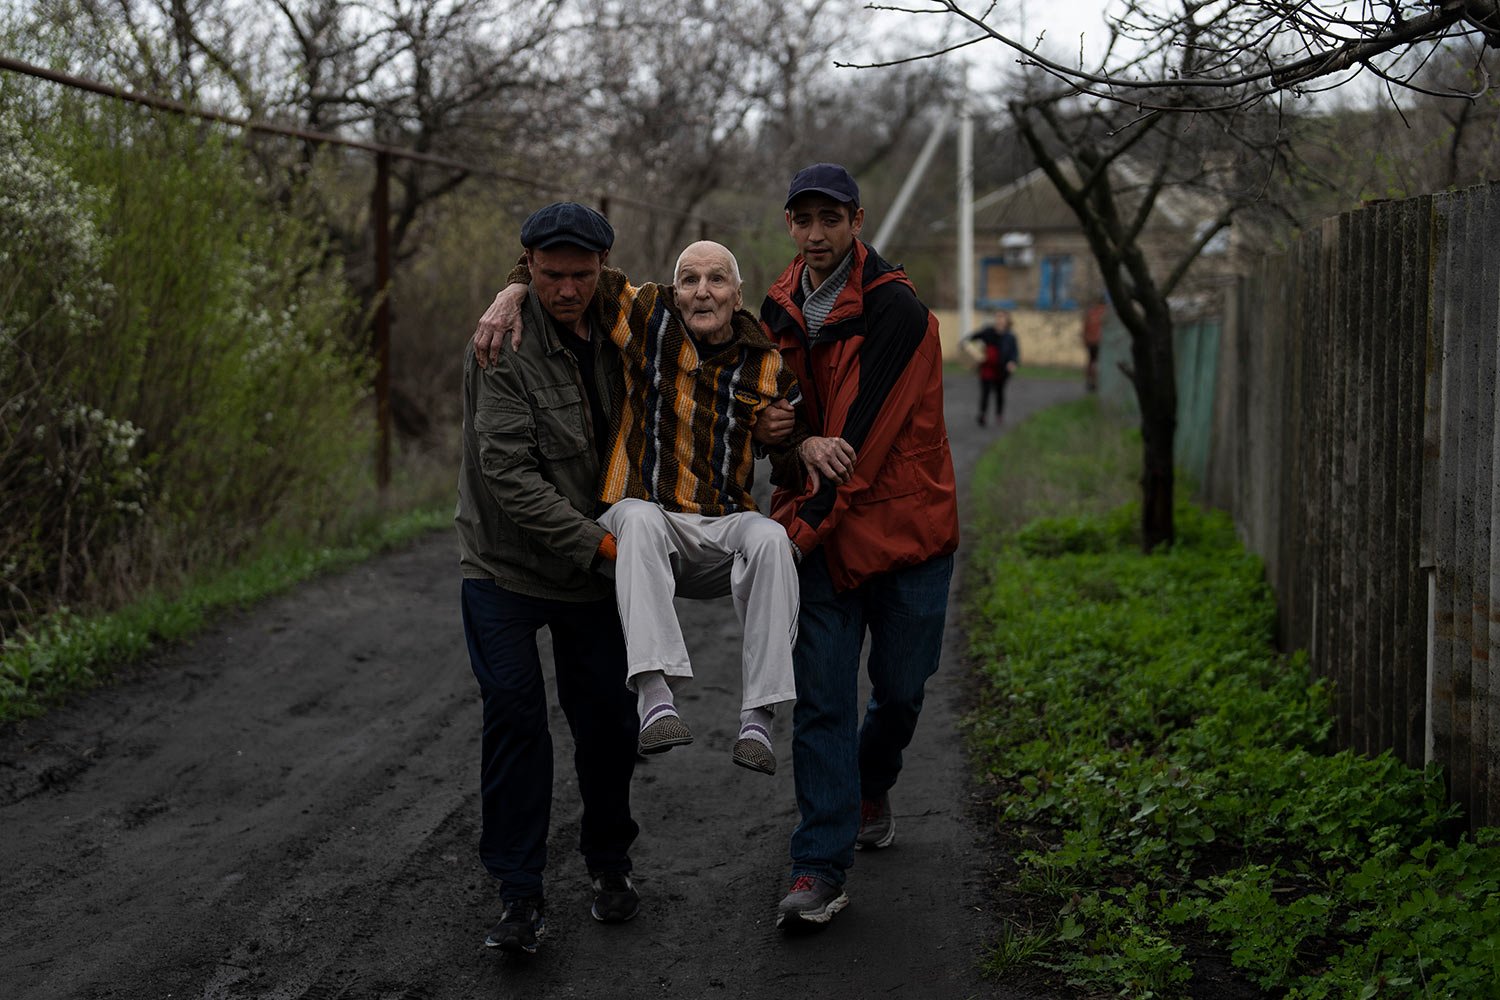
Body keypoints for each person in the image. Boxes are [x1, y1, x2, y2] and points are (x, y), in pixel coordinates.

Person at [472, 241, 802, 776]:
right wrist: (512, 287)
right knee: (639, 516)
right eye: (689, 279)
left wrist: (788, 439)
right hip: (646, 521)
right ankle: (655, 695)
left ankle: (759, 716)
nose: (701, 292)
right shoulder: (647, 314)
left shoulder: (767, 365)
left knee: (769, 536)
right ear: (675, 289)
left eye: (716, 280)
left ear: (739, 295)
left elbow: (792, 466)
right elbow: (568, 268)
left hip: (720, 525)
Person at [758, 163, 961, 930]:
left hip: (904, 536)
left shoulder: (899, 312)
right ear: (789, 224)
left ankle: (872, 785)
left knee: (902, 692)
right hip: (823, 545)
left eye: (830, 219)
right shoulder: (776, 311)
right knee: (821, 704)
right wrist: (777, 434)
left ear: (857, 221)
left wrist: (786, 538)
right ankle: (819, 866)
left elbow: (858, 449)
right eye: (802, 219)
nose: (815, 234)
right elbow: (771, 426)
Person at [455, 202, 643, 956]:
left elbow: (713, 314)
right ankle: (518, 894)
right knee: (515, 716)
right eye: (549, 274)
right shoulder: (501, 342)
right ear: (526, 265)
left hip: (593, 574)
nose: (567, 290)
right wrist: (606, 550)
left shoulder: (632, 323)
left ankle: (610, 865)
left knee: (606, 722)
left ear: (604, 267)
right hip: (505, 564)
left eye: (582, 274)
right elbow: (506, 474)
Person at [962, 309, 1020, 426]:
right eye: (997, 317)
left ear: (1007, 320)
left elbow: (1014, 353)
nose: (999, 320)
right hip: (987, 369)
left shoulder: (1010, 337)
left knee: (999, 393)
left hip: (1001, 369)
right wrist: (968, 349)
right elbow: (972, 338)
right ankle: (982, 415)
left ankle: (999, 414)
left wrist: (1012, 362)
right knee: (985, 392)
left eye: (1002, 317)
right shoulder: (988, 332)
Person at [1082, 297, 1107, 392]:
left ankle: (1090, 382)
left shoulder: (1091, 313)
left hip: (1090, 342)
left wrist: (1085, 340)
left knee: (1091, 361)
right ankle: (1097, 382)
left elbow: (1085, 328)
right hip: (1100, 342)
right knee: (1098, 362)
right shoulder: (1105, 314)